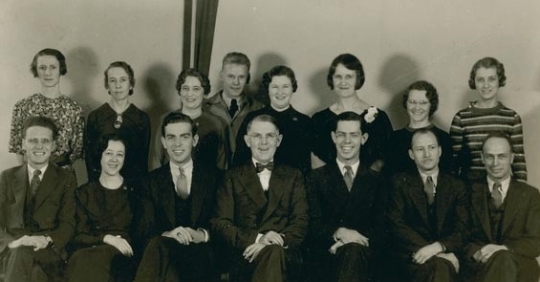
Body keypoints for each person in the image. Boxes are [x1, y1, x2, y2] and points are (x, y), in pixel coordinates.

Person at [211, 114, 308, 282]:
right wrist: (257, 239)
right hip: (246, 253)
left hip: (285, 254)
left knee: (274, 252)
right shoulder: (232, 177)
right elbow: (220, 222)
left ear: (278, 140)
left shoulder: (294, 176)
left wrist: (272, 242)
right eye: (257, 136)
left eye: (269, 136)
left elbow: (301, 221)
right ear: (247, 141)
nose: (263, 142)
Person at [134, 112, 219, 282]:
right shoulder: (149, 182)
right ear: (164, 142)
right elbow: (145, 229)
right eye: (171, 137)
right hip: (165, 249)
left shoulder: (215, 177)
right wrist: (168, 234)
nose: (177, 143)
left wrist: (201, 235)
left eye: (184, 137)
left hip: (201, 252)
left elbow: (223, 224)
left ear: (194, 140)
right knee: (161, 250)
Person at [306, 112, 386, 282]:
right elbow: (312, 223)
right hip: (327, 254)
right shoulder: (315, 177)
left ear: (363, 138)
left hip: (366, 255)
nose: (347, 141)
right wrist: (339, 232)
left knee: (354, 253)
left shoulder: (378, 179)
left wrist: (351, 241)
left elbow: (382, 226)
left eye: (354, 135)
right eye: (341, 135)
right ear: (333, 137)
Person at [386, 128, 469, 282]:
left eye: (431, 148)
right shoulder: (399, 182)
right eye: (420, 149)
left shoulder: (457, 186)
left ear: (440, 151)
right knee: (439, 265)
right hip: (412, 257)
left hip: (447, 253)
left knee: (440, 266)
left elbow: (463, 228)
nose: (426, 154)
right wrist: (432, 251)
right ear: (411, 154)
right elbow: (395, 224)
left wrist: (439, 247)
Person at [1, 116, 77, 281]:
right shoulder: (7, 177)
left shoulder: (65, 179)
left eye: (45, 141)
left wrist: (46, 240)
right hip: (14, 249)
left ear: (53, 145)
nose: (39, 146)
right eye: (33, 140)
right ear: (23, 144)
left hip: (48, 252)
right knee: (34, 273)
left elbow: (68, 223)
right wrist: (15, 242)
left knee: (26, 261)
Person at [66, 134, 150, 282]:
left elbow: (143, 233)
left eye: (120, 154)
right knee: (81, 259)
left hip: (125, 257)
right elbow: (77, 236)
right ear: (100, 156)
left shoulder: (136, 191)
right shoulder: (84, 193)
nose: (114, 159)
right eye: (109, 153)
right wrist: (107, 239)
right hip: (90, 252)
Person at [462, 132, 540, 282]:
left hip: (518, 265)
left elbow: (536, 241)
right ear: (482, 158)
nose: (495, 163)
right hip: (479, 265)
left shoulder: (529, 194)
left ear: (511, 157)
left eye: (501, 156)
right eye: (490, 156)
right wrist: (476, 252)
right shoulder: (467, 192)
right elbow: (459, 234)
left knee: (504, 259)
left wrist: (503, 249)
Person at [450, 57, 527, 182]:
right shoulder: (461, 118)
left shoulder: (512, 118)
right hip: (469, 191)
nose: (486, 85)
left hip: (501, 191)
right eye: (480, 80)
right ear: (474, 82)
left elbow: (519, 165)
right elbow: (453, 164)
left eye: (491, 79)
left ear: (499, 81)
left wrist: (520, 197)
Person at [312, 53, 392, 172]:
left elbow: (387, 159)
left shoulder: (379, 118)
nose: (343, 82)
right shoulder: (319, 119)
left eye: (349, 76)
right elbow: (316, 161)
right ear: (331, 79)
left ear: (358, 79)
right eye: (338, 77)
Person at [9, 48, 84, 173]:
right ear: (36, 71)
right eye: (42, 68)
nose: (47, 73)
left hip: (63, 176)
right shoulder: (22, 107)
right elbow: (18, 148)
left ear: (61, 70)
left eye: (53, 67)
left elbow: (77, 150)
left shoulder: (74, 109)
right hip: (31, 174)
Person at [233, 65, 314, 174]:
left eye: (285, 86)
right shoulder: (252, 118)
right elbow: (240, 158)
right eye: (275, 87)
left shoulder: (304, 122)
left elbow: (306, 166)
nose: (280, 92)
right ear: (268, 89)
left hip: (292, 186)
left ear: (292, 88)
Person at [85, 61, 151, 182]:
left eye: (123, 80)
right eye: (112, 80)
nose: (118, 85)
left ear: (131, 84)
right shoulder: (96, 117)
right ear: (107, 85)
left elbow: (142, 161)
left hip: (132, 187)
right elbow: (90, 161)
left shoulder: (141, 118)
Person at [153, 68, 229, 170]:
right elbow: (156, 159)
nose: (190, 94)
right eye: (185, 88)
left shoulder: (216, 123)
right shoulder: (165, 119)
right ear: (179, 91)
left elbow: (222, 163)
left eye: (196, 89)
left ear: (205, 92)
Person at [203, 52, 264, 160]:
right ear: (221, 75)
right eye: (231, 76)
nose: (236, 82)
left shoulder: (260, 109)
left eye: (241, 77)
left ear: (248, 78)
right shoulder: (204, 108)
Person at [386, 80, 453, 175]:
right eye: (412, 102)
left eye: (423, 103)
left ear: (431, 105)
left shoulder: (444, 138)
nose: (417, 107)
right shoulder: (394, 139)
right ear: (406, 103)